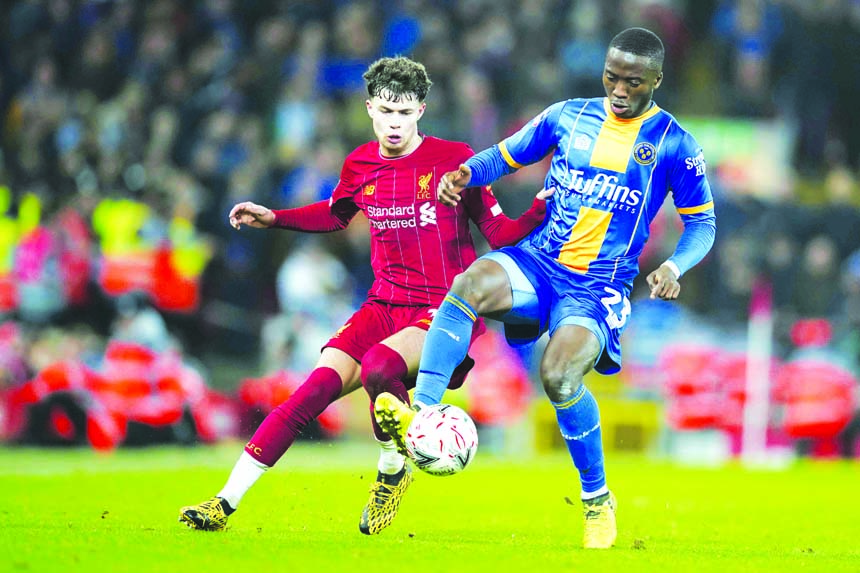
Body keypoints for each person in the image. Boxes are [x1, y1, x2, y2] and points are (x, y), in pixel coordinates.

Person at [374, 28, 717, 549]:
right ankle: (423, 413)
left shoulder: (673, 143)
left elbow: (703, 225)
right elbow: (503, 156)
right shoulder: (568, 115)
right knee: (469, 284)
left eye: (633, 82)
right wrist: (467, 172)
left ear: (656, 80)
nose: (619, 90)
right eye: (612, 77)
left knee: (558, 376)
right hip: (539, 261)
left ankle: (598, 502)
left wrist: (674, 267)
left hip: (597, 286)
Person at [178, 56, 551, 534]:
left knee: (380, 365)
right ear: (371, 108)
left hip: (445, 309)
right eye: (386, 112)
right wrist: (276, 217)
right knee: (309, 394)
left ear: (420, 110)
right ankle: (223, 504)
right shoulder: (360, 163)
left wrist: (542, 207)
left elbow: (499, 233)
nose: (394, 123)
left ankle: (390, 474)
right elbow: (336, 214)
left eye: (404, 112)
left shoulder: (456, 160)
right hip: (382, 304)